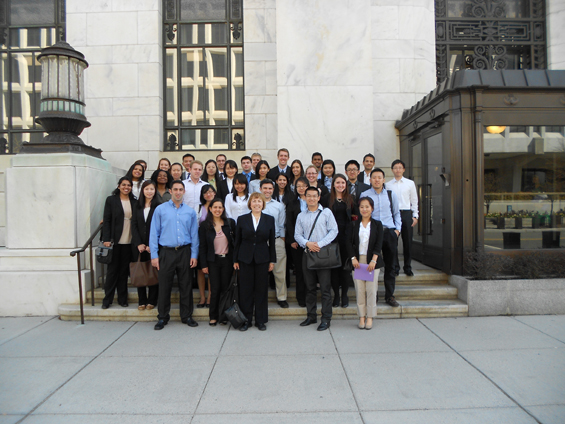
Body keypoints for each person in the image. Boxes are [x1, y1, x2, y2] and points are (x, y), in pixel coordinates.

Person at [150, 180, 199, 330]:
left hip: (184, 252)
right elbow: (154, 233)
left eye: (180, 189)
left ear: (184, 192)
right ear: (170, 191)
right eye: (175, 189)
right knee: (164, 286)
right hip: (166, 252)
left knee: (186, 285)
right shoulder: (160, 210)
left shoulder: (190, 212)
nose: (178, 192)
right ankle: (163, 317)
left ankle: (187, 316)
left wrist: (194, 255)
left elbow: (194, 235)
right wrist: (154, 255)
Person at [295, 186, 338, 331]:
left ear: (319, 197)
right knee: (310, 287)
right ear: (305, 197)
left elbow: (333, 231)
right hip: (307, 254)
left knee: (325, 288)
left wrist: (318, 244)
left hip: (323, 254)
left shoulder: (326, 213)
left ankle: (326, 318)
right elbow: (297, 235)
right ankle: (311, 315)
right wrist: (307, 244)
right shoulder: (301, 215)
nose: (312, 198)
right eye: (309, 196)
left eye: (314, 196)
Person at [233, 192, 276, 331]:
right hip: (245, 258)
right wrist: (235, 259)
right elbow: (237, 241)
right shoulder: (242, 219)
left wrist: (272, 260)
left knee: (261, 290)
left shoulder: (269, 219)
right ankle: (246, 320)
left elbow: (272, 242)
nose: (257, 204)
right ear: (250, 204)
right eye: (254, 201)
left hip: (263, 258)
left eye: (259, 201)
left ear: (263, 204)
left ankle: (261, 320)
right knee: (246, 290)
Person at [360, 168, 402, 307]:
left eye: (379, 177)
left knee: (390, 265)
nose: (377, 180)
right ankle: (372, 296)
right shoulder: (364, 195)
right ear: (370, 180)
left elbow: (396, 213)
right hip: (371, 233)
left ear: (383, 180)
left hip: (389, 232)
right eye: (374, 177)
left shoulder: (391, 194)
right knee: (369, 265)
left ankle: (390, 296)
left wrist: (397, 230)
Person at [348, 197, 384, 330]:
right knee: (360, 290)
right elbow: (348, 243)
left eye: (367, 206)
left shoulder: (377, 224)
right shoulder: (353, 224)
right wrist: (353, 258)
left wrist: (374, 259)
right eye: (362, 207)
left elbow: (379, 243)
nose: (364, 209)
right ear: (359, 209)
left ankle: (370, 317)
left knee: (371, 290)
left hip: (372, 262)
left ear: (372, 208)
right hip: (357, 261)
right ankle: (361, 317)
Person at [199, 198, 236, 326]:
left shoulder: (230, 223)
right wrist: (203, 264)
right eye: (215, 207)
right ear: (210, 209)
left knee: (225, 289)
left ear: (223, 209)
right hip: (213, 261)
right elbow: (202, 246)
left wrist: (235, 261)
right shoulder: (204, 225)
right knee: (215, 289)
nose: (217, 210)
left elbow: (234, 245)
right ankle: (213, 316)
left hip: (227, 260)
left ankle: (224, 316)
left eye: (220, 207)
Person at [322, 174, 357, 308]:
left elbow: (355, 217)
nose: (340, 185)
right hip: (331, 238)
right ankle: (336, 295)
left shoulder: (351, 199)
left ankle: (345, 295)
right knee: (334, 268)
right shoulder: (326, 199)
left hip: (346, 237)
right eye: (338, 183)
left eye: (343, 183)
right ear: (333, 184)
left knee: (345, 268)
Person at [101, 177, 136, 309]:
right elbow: (107, 219)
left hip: (129, 241)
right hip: (114, 241)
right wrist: (106, 239)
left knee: (123, 272)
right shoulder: (111, 200)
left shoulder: (134, 201)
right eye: (124, 185)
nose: (126, 187)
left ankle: (123, 299)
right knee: (112, 272)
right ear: (119, 186)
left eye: (129, 185)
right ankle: (107, 299)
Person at [131, 180, 160, 311]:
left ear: (155, 191)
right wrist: (138, 243)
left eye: (152, 189)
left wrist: (151, 245)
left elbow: (160, 228)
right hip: (139, 246)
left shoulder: (159, 206)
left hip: (152, 245)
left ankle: (152, 300)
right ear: (143, 190)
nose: (149, 191)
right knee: (141, 272)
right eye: (147, 189)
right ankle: (141, 300)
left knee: (153, 272)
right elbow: (134, 225)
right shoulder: (137, 206)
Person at [387, 159, 418, 277]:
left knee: (408, 242)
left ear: (403, 169)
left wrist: (415, 216)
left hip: (406, 214)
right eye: (395, 167)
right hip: (393, 214)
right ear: (392, 170)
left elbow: (414, 200)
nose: (398, 170)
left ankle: (407, 267)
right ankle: (395, 267)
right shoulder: (388, 185)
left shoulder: (410, 183)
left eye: (400, 167)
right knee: (393, 242)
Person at [261, 179, 288, 308]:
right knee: (260, 272)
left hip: (276, 240)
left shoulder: (279, 205)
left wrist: (281, 241)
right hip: (260, 242)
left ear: (273, 190)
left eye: (270, 188)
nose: (267, 191)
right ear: (260, 189)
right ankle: (260, 298)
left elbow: (282, 225)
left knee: (280, 271)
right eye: (265, 188)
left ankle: (281, 297)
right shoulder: (255, 204)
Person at [286, 177, 309, 307]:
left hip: (312, 242)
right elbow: (289, 223)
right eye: (298, 186)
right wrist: (292, 240)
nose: (301, 188)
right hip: (297, 242)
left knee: (310, 270)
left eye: (304, 185)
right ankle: (301, 297)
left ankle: (310, 295)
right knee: (300, 270)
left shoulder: (314, 200)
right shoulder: (292, 202)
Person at [195, 184, 217, 308]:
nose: (208, 194)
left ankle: (210, 297)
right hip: (201, 243)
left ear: (214, 193)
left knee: (212, 270)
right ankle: (202, 297)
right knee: (200, 271)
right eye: (205, 192)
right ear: (203, 195)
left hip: (215, 243)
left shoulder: (218, 206)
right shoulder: (198, 208)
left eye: (210, 191)